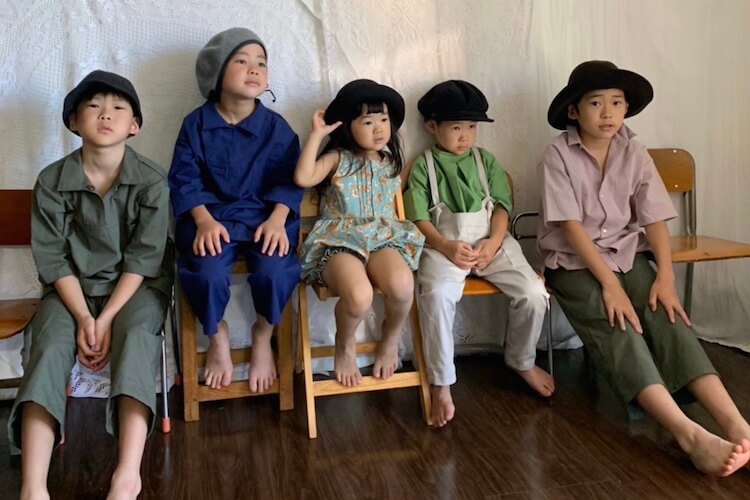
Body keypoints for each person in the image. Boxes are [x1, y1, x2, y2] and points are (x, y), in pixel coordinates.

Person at [537, 60, 750, 476]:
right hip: (573, 262)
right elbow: (570, 228)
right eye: (596, 103)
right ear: (573, 111)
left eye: (617, 103)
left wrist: (665, 277)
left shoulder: (633, 150)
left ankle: (737, 425)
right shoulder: (556, 155)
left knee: (668, 315)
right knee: (619, 326)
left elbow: (653, 218)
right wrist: (609, 285)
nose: (608, 113)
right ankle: (688, 435)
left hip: (627, 254)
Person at [7, 70, 171, 499]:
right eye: (93, 106)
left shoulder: (151, 181)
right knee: (49, 346)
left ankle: (127, 475)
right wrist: (83, 317)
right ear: (73, 121)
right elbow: (52, 258)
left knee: (137, 337)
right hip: (70, 291)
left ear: (134, 125)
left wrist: (107, 318)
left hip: (135, 289)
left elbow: (145, 258)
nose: (105, 114)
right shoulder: (51, 181)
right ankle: (33, 486)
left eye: (118, 108)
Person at [404, 80, 552, 428]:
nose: (465, 136)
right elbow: (418, 217)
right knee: (437, 296)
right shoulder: (423, 166)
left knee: (533, 292)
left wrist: (495, 241)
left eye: (471, 127)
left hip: (491, 242)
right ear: (432, 127)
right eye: (456, 127)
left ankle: (521, 359)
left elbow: (501, 207)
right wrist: (444, 245)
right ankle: (441, 382)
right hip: (443, 246)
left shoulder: (485, 160)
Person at [169, 27, 302, 392]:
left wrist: (278, 219)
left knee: (275, 270)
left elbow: (291, 179)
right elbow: (184, 178)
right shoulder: (195, 125)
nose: (254, 69)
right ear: (216, 72)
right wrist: (203, 220)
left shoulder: (276, 127)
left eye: (261, 62)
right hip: (210, 219)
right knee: (207, 272)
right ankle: (216, 334)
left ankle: (264, 332)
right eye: (242, 61)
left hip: (264, 218)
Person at [294, 79, 424, 387]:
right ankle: (345, 343)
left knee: (403, 285)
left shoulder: (390, 163)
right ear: (347, 126)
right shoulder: (338, 158)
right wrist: (317, 135)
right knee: (359, 295)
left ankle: (390, 338)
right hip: (339, 241)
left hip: (382, 238)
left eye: (384, 120)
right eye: (367, 122)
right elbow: (303, 177)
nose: (378, 129)